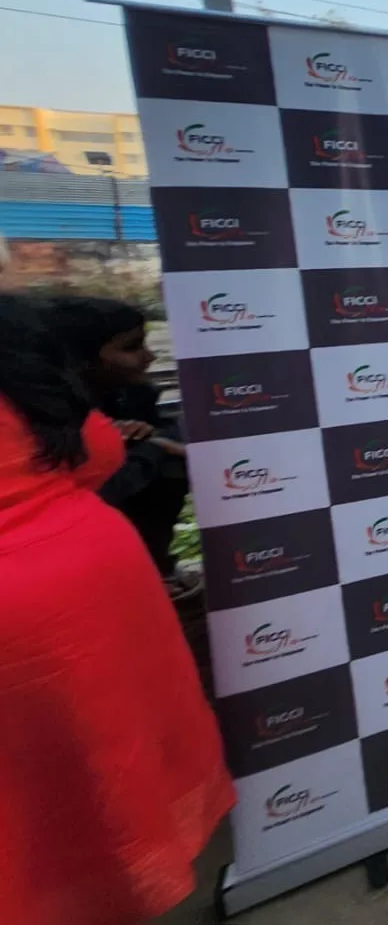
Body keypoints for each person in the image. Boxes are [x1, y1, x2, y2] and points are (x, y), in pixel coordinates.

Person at [0, 294, 234, 924]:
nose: (146, 357)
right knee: (98, 765)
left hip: (67, 607)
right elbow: (99, 456)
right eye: (131, 346)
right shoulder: (24, 353)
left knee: (49, 787)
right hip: (86, 592)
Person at [47, 295, 197, 599]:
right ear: (81, 358)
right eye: (132, 348)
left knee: (171, 465)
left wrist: (151, 436)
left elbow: (172, 433)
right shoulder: (50, 410)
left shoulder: (133, 393)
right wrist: (153, 447)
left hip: (126, 491)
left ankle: (154, 564)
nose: (149, 357)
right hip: (68, 527)